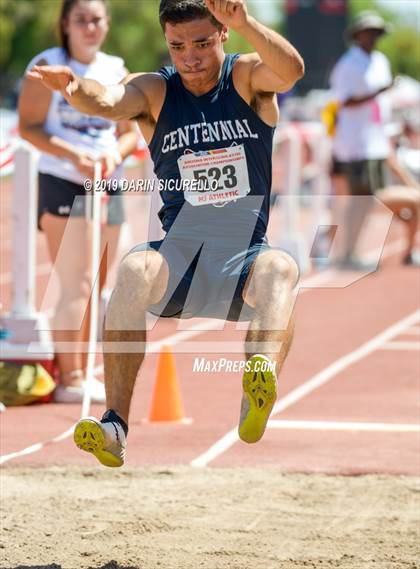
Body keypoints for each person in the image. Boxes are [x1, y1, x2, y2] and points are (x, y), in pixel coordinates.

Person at [28, 0, 304, 466]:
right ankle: (114, 424)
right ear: (166, 43)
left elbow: (292, 70)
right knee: (135, 265)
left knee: (282, 266)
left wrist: (246, 21)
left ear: (222, 35)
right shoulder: (155, 91)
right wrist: (74, 87)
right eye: (178, 46)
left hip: (242, 260)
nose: (190, 57)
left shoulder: (247, 79)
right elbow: (109, 101)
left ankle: (256, 388)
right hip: (180, 261)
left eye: (201, 43)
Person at [18, 0, 139, 403]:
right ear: (65, 25)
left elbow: (128, 131)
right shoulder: (47, 65)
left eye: (96, 20)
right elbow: (29, 127)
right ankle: (70, 377)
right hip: (66, 180)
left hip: (111, 182)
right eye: (81, 20)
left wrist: (114, 156)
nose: (89, 27)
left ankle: (87, 365)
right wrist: (75, 157)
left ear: (106, 25)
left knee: (103, 283)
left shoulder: (116, 69)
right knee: (78, 281)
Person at [329, 11, 395, 270]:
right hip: (355, 144)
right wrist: (377, 92)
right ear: (357, 35)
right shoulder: (348, 64)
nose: (373, 37)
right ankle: (345, 252)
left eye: (377, 33)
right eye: (369, 32)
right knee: (357, 200)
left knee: (368, 200)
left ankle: (351, 251)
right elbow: (343, 101)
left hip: (376, 140)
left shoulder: (380, 60)